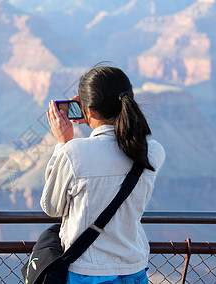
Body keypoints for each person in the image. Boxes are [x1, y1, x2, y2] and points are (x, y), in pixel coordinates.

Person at [42, 65, 165, 284]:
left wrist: (63, 142)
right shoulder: (153, 151)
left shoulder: (74, 152)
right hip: (134, 270)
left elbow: (52, 207)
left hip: (87, 273)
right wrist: (92, 119)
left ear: (87, 110)